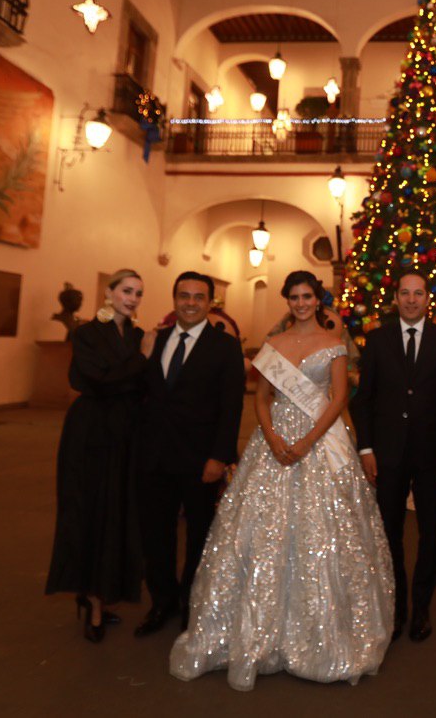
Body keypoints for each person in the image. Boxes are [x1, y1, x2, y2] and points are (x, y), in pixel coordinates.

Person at [171, 270, 394, 689]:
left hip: (321, 439)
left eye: (307, 296)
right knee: (261, 534)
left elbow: (340, 397)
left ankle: (319, 633)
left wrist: (308, 440)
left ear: (318, 299)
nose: (301, 303)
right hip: (273, 443)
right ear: (287, 301)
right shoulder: (273, 344)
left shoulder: (333, 345)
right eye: (294, 297)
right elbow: (261, 396)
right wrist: (273, 438)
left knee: (324, 534)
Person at [134, 271, 246, 637]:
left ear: (210, 302)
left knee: (200, 535)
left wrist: (220, 456)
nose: (191, 303)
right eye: (184, 295)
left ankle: (191, 604)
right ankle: (161, 601)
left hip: (201, 461)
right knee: (156, 535)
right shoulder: (155, 340)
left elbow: (231, 408)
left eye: (199, 297)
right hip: (154, 456)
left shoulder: (224, 346)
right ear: (174, 298)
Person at [352, 270, 436, 643]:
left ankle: (422, 607)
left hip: (432, 455)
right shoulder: (377, 341)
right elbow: (363, 399)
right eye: (405, 293)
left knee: (431, 532)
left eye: (419, 293)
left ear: (429, 300)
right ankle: (396, 606)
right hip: (387, 454)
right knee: (389, 532)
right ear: (395, 297)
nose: (412, 300)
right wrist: (365, 449)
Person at [45, 269, 149, 643]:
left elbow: (139, 384)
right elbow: (99, 381)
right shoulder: (87, 334)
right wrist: (141, 360)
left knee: (118, 512)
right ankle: (90, 599)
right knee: (89, 510)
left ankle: (104, 593)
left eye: (138, 293)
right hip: (91, 433)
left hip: (127, 432)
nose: (132, 298)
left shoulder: (137, 336)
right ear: (108, 292)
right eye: (125, 290)